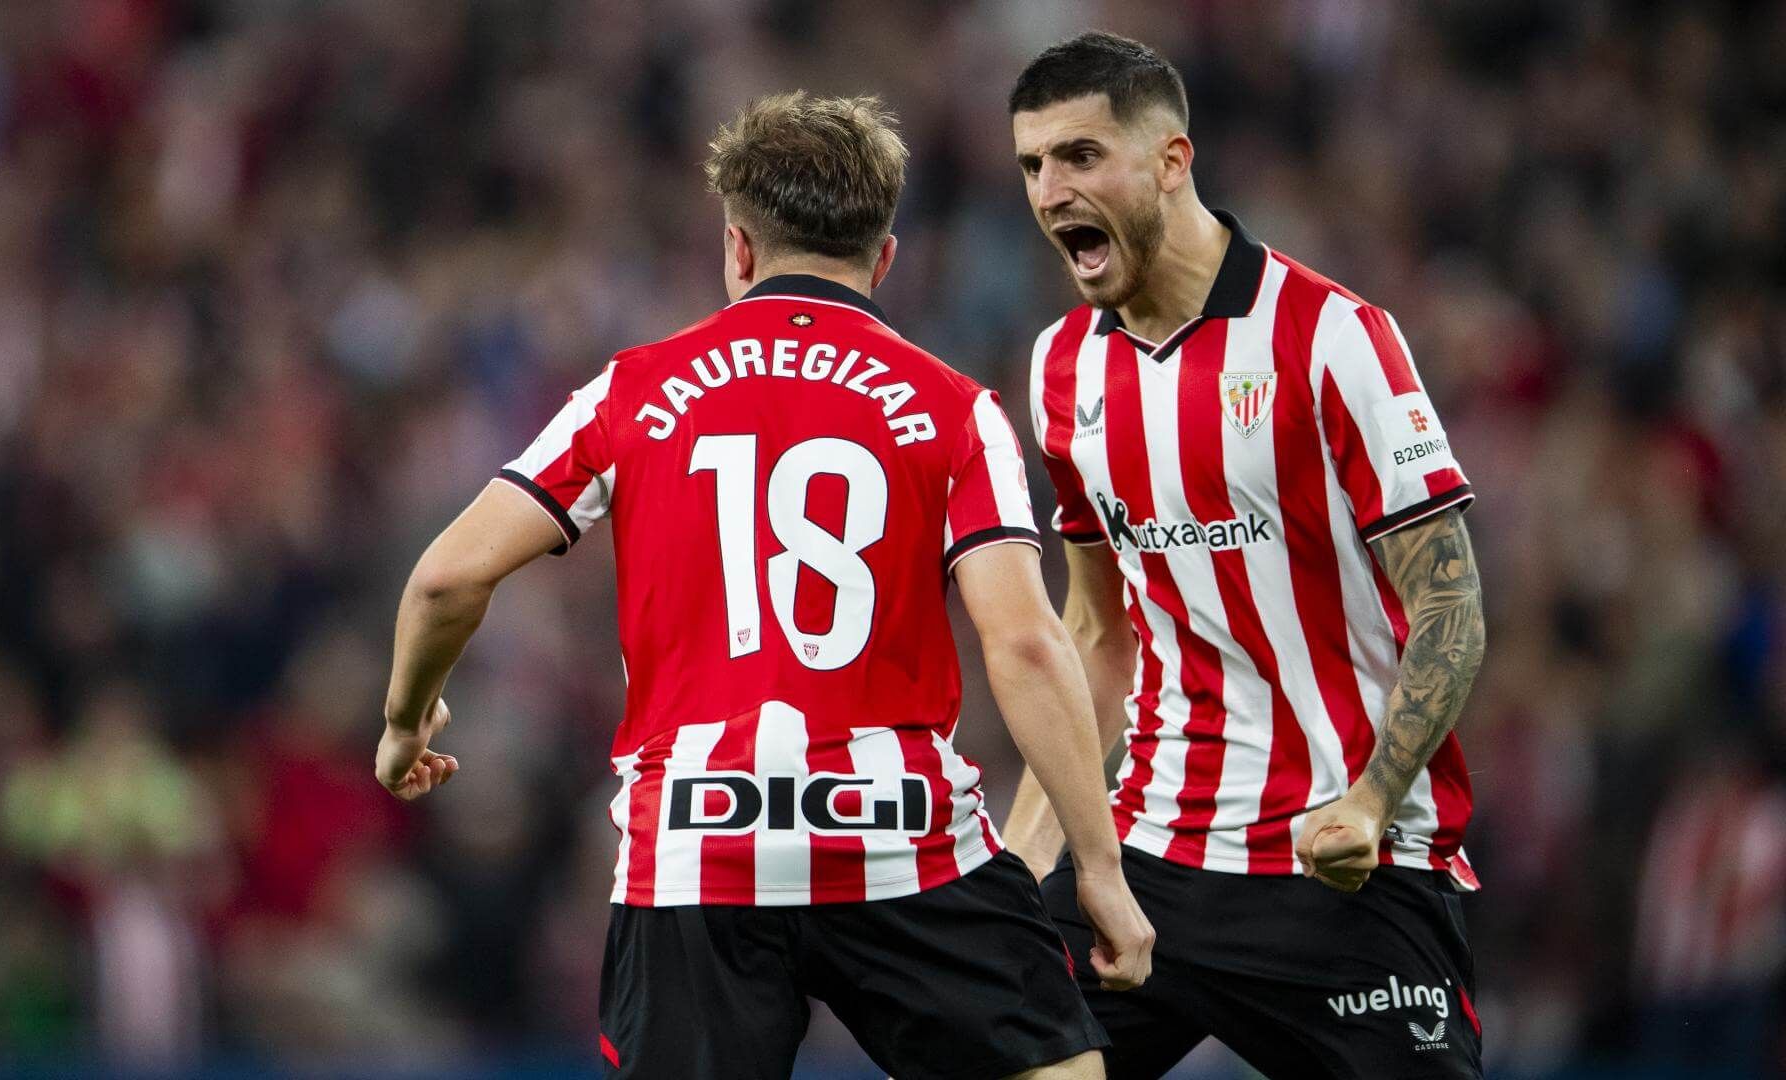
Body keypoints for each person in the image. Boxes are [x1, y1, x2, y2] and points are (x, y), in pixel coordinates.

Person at [375, 91, 1153, 1080]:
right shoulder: (955, 411)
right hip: (896, 839)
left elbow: (445, 578)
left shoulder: (631, 394)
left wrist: (406, 721)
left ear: (737, 248)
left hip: (697, 848)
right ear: (884, 259)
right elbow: (1027, 644)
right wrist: (1098, 866)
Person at [1000, 32, 1488, 1080]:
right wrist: (1030, 858)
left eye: (1081, 156)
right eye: (1033, 165)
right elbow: (1094, 636)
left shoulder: (1333, 336)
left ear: (1174, 160)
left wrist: (1369, 795)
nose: (1050, 191)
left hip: (1346, 866)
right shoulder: (1059, 371)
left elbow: (1451, 606)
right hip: (1155, 858)